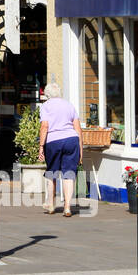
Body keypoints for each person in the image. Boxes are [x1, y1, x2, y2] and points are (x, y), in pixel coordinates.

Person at [38, 81, 82, 216]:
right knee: (69, 173)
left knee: (51, 173)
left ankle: (51, 205)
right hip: (71, 140)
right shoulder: (69, 105)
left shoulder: (45, 106)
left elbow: (44, 126)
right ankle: (67, 207)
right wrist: (80, 149)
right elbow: (78, 128)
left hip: (53, 141)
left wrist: (41, 146)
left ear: (47, 94)